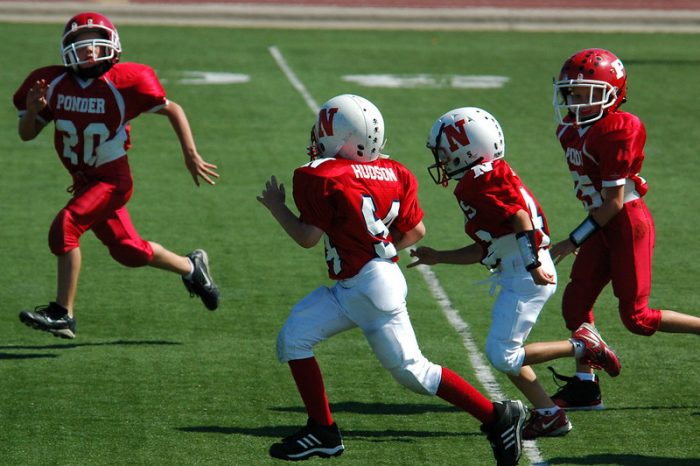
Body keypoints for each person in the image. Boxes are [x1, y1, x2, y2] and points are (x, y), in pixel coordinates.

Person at [257, 94, 526, 465]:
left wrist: (276, 207)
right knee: (295, 337)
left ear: (339, 138)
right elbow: (416, 231)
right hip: (369, 279)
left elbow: (307, 238)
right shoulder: (395, 172)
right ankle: (322, 431)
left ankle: (498, 417)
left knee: (414, 372)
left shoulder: (319, 174)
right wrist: (378, 250)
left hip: (368, 286)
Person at [407, 107, 620, 439]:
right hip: (521, 268)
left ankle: (581, 346)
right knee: (505, 350)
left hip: (527, 273)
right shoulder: (488, 175)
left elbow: (521, 219)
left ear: (467, 148)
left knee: (501, 354)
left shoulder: (477, 183)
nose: (442, 160)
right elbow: (486, 249)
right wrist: (439, 257)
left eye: (445, 152)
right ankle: (550, 414)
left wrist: (533, 265)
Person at [12, 11, 221, 339]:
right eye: (81, 45)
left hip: (112, 181)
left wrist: (190, 154)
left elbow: (172, 108)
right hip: (85, 182)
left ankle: (63, 313)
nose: (89, 51)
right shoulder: (51, 84)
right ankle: (192, 268)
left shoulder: (126, 81)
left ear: (111, 45)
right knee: (128, 250)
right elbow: (27, 134)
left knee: (64, 230)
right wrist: (34, 112)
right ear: (68, 50)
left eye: (95, 44)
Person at [548, 48, 700, 409]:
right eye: (572, 92)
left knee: (637, 318)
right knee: (576, 304)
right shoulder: (571, 129)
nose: (576, 100)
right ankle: (586, 386)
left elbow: (614, 203)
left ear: (611, 93)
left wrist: (572, 241)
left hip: (627, 223)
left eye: (586, 93)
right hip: (603, 224)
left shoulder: (620, 127)